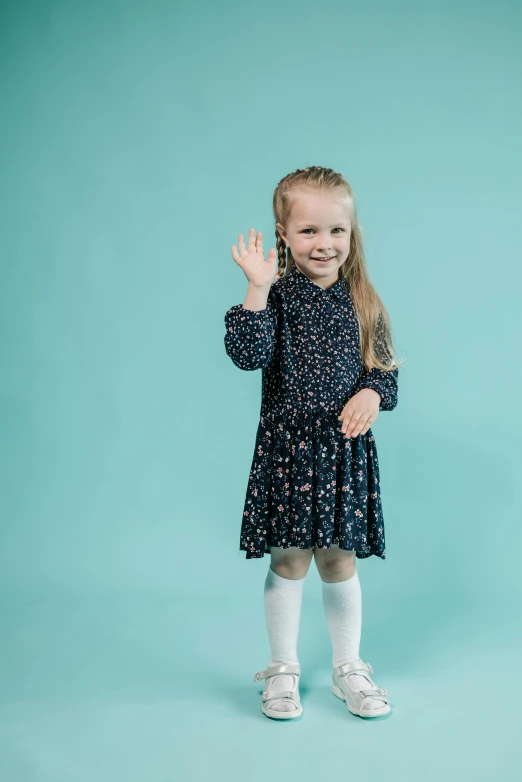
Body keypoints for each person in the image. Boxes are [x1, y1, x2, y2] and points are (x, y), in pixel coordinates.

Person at [223, 166, 402, 721]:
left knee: (338, 559)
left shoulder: (365, 299)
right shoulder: (274, 295)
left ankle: (348, 667)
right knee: (291, 558)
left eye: (336, 231)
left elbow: (386, 371)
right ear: (282, 233)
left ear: (352, 234)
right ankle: (283, 668)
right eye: (308, 232)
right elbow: (247, 353)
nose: (324, 244)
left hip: (342, 451)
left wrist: (373, 393)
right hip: (290, 452)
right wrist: (256, 286)